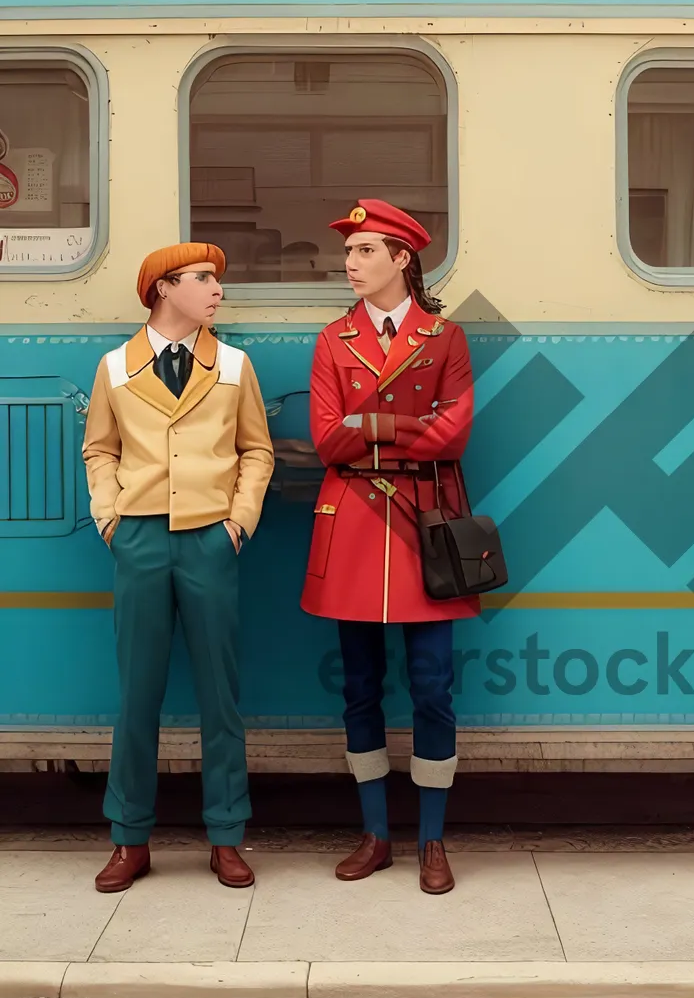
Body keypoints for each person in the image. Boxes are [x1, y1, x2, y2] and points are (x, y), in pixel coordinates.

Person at [83, 244, 274, 892]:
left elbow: (257, 450)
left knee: (221, 696)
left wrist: (237, 524)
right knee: (137, 695)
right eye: (202, 279)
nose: (217, 289)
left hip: (210, 542)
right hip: (137, 541)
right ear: (163, 289)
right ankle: (128, 838)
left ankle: (227, 835)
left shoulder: (235, 365)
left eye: (217, 278)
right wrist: (110, 517)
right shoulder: (114, 367)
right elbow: (99, 451)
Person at [301, 199, 478, 893]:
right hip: (352, 525)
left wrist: (365, 423)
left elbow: (453, 436)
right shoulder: (331, 339)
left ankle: (432, 841)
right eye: (349, 251)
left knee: (433, 690)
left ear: (403, 259)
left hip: (422, 525)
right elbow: (326, 440)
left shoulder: (446, 337)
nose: (351, 263)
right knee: (359, 689)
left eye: (366, 250)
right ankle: (375, 834)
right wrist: (408, 422)